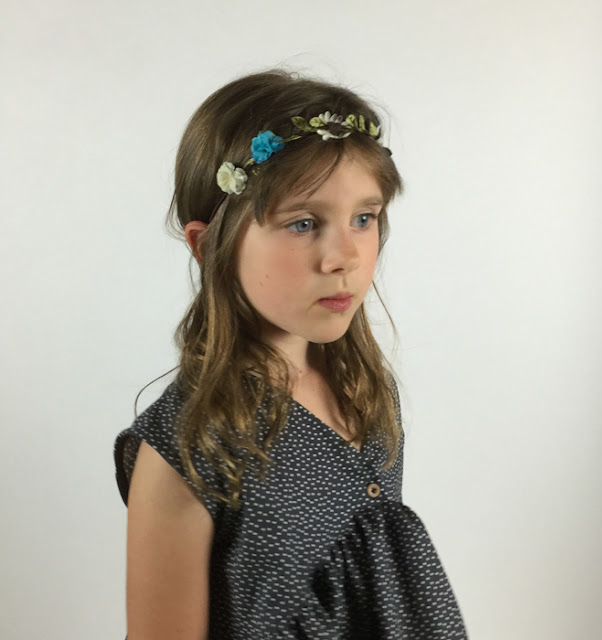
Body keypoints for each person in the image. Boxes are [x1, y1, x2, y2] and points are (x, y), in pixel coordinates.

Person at [113, 68, 468, 640]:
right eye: (303, 223)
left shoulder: (364, 391)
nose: (344, 256)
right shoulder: (190, 447)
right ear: (208, 245)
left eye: (364, 218)